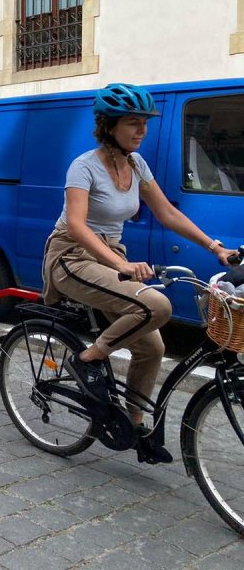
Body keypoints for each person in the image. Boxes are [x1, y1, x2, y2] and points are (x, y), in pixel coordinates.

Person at [42, 83, 235, 463]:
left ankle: (133, 424)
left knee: (152, 346)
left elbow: (168, 213)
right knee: (155, 306)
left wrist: (215, 248)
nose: (142, 130)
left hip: (110, 255)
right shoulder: (83, 166)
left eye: (144, 123)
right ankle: (87, 360)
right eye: (133, 123)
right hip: (73, 256)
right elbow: (78, 225)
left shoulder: (136, 165)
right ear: (109, 125)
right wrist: (119, 264)